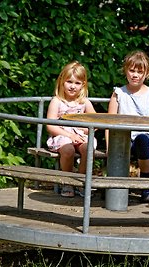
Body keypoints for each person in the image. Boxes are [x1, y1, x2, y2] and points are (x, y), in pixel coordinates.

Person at [107, 50, 149, 203]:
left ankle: (146, 184)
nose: (135, 75)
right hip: (121, 139)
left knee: (142, 140)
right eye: (132, 70)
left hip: (144, 140)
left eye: (140, 71)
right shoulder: (118, 93)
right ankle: (114, 187)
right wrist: (109, 146)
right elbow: (108, 123)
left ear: (147, 73)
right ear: (125, 70)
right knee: (122, 144)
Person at [46, 61, 96, 197]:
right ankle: (67, 181)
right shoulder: (57, 101)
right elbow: (50, 125)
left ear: (83, 85)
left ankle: (80, 181)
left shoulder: (84, 102)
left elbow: (96, 121)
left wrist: (85, 130)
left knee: (88, 148)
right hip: (61, 134)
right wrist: (69, 135)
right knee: (68, 149)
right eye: (69, 82)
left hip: (79, 134)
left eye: (77, 83)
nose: (73, 86)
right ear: (62, 82)